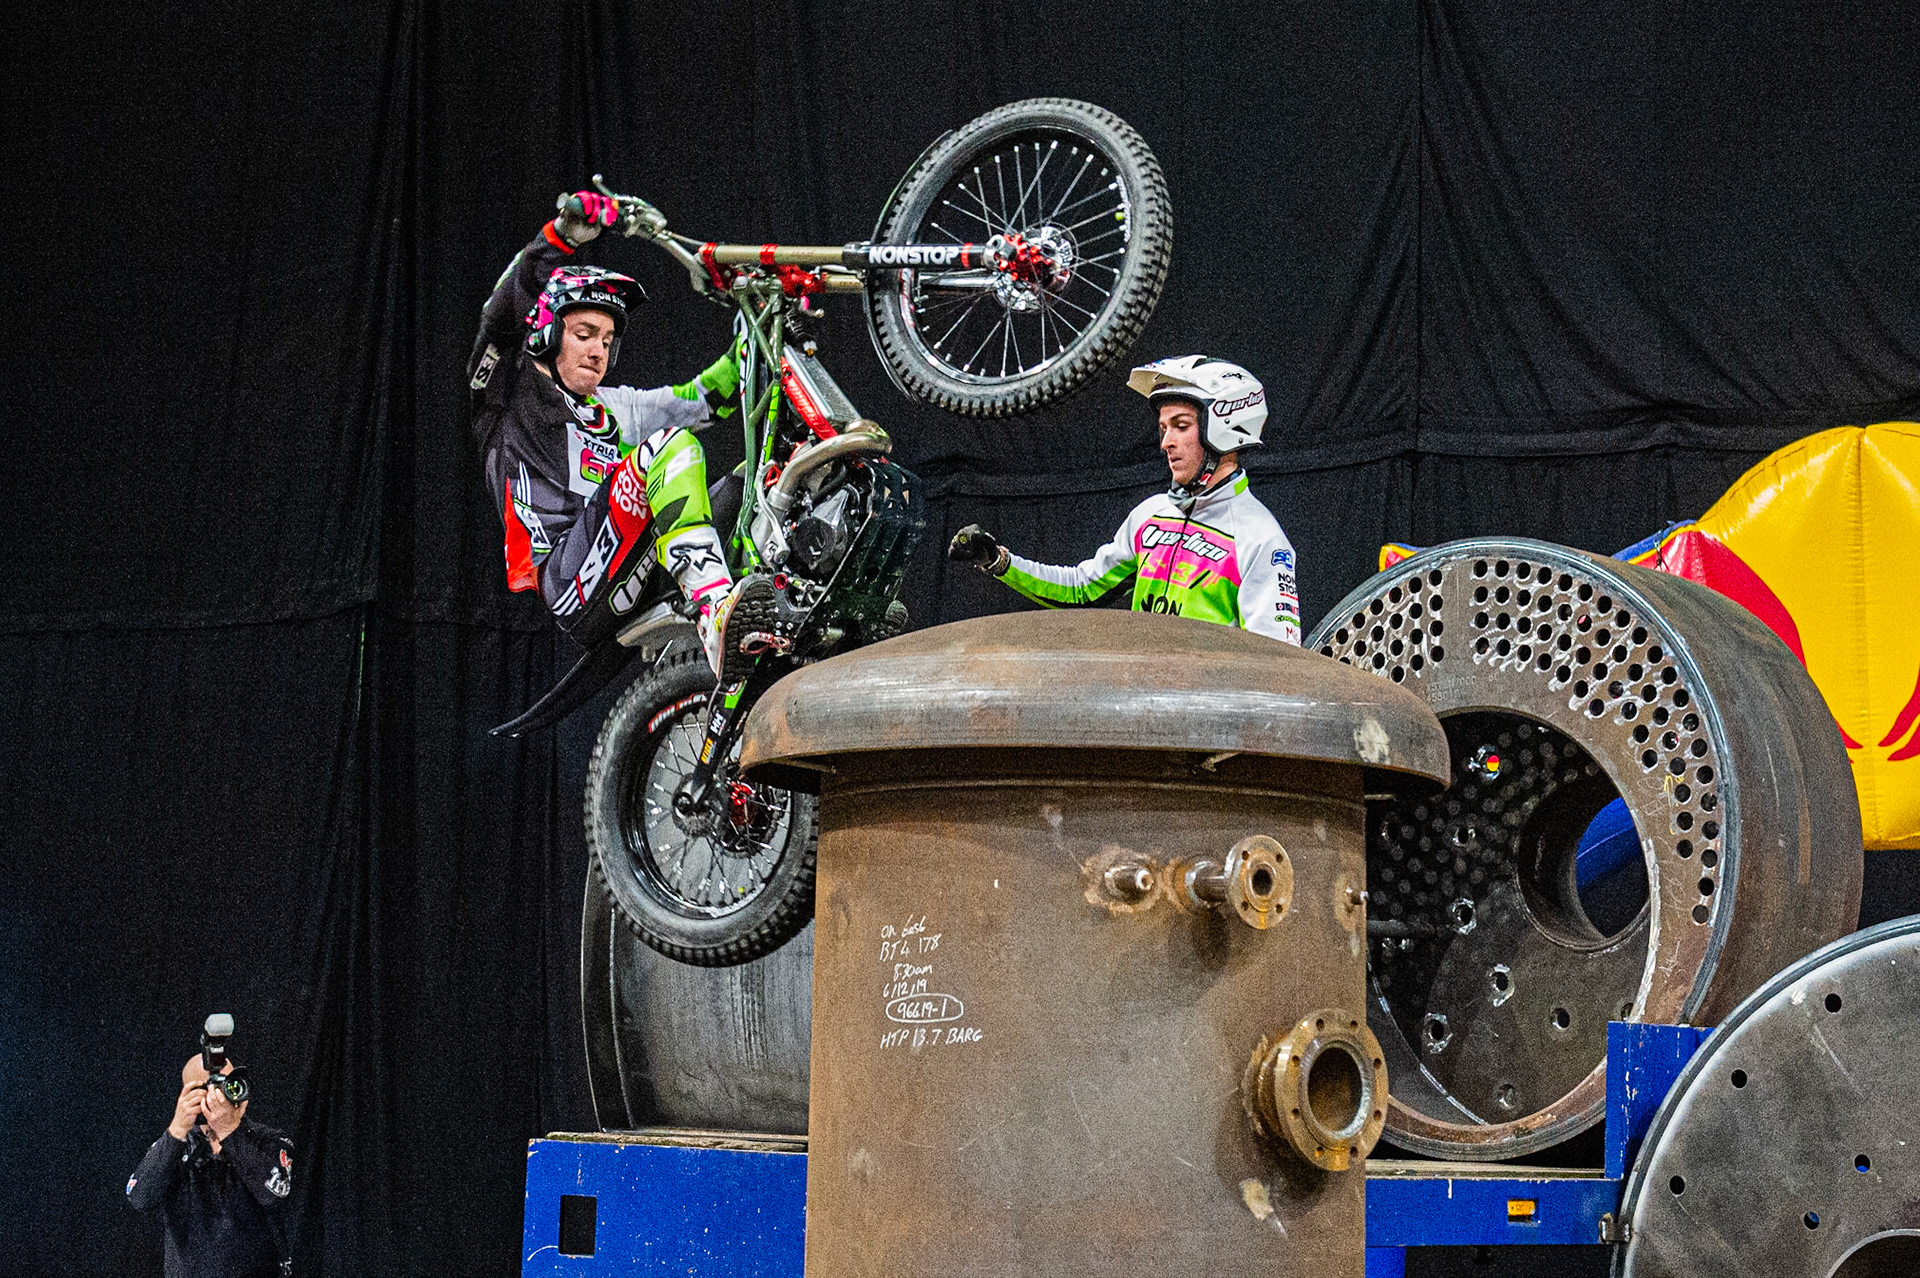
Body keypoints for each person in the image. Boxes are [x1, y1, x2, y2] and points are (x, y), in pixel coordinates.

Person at [468, 189, 771, 681]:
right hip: (567, 578)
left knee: (757, 482)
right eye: (584, 334)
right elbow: (497, 319)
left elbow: (702, 400)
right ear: (546, 333)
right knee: (670, 447)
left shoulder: (613, 406)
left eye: (607, 341)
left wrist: (762, 331)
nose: (598, 351)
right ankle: (714, 609)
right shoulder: (509, 395)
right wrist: (559, 238)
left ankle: (782, 609)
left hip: (629, 566)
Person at [948, 356, 1301, 644]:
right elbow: (1082, 590)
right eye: (1163, 428)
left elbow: (1276, 663)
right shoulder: (1151, 515)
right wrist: (1000, 562)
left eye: (1181, 426)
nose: (1166, 442)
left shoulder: (1260, 538)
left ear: (1225, 430)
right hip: (1142, 699)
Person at [126, 1055, 294, 1278]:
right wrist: (177, 1129)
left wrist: (229, 1131)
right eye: (214, 1086)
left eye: (230, 1083)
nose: (224, 1095)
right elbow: (140, 1198)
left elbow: (274, 1195)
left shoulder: (268, 1140)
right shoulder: (177, 1146)